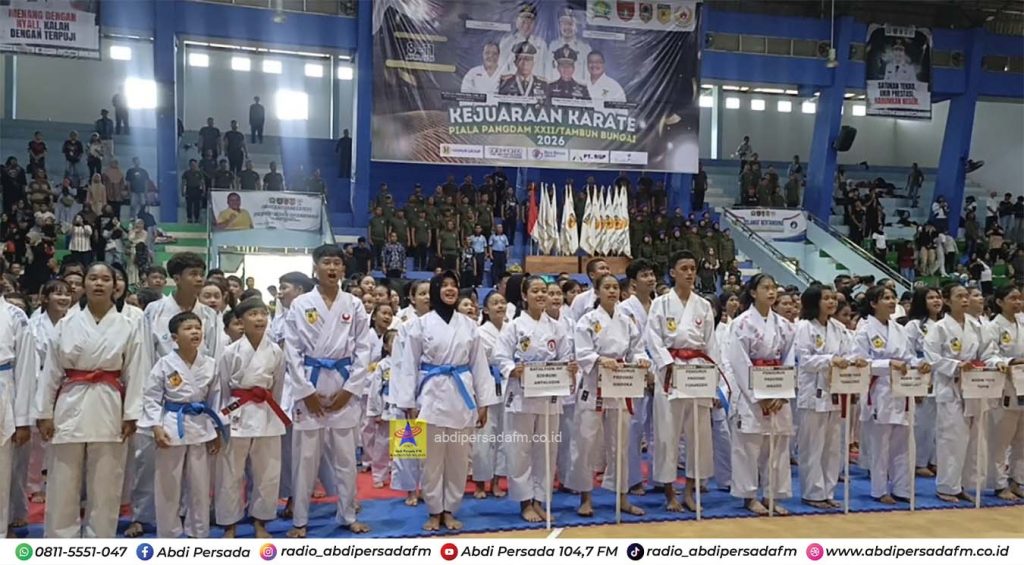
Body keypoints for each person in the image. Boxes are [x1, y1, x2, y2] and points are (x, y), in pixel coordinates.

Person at [36, 262, 146, 537]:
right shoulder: (67, 323)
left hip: (109, 404)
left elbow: (136, 371)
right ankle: (60, 541)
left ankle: (100, 540)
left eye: (105, 279)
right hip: (70, 401)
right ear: (83, 284)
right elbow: (51, 371)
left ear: (115, 287)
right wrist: (44, 412)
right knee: (62, 480)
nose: (99, 283)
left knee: (106, 482)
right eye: (93, 278)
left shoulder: (128, 325)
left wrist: (132, 413)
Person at [393, 271, 499, 531]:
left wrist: (484, 401)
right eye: (444, 285)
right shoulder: (420, 324)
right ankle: (434, 510)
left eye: (454, 285)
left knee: (459, 460)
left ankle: (450, 509)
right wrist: (407, 401)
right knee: (431, 460)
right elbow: (408, 365)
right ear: (435, 290)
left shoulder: (468, 325)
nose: (450, 289)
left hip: (462, 395)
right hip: (430, 395)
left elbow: (479, 365)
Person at [283, 244, 373, 537]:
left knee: (346, 459)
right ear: (316, 267)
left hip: (343, 385)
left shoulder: (354, 304)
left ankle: (347, 515)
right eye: (326, 262)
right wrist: (305, 392)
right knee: (305, 459)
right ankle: (300, 520)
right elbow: (292, 350)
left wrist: (350, 389)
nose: (332, 268)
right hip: (310, 384)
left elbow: (363, 349)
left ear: (343, 269)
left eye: (337, 263)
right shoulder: (300, 304)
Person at [494, 276, 577, 523]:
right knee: (520, 451)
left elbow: (565, 355)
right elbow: (500, 356)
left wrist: (569, 367)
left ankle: (540, 500)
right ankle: (525, 502)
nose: (541, 295)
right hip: (521, 396)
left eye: (544, 291)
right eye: (535, 291)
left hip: (549, 394)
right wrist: (512, 369)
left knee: (547, 450)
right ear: (524, 296)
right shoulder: (514, 326)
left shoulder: (557, 327)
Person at [568, 274, 650, 517]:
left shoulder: (626, 321)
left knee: (620, 443)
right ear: (597, 291)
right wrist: (599, 359)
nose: (612, 291)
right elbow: (582, 352)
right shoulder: (587, 320)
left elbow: (637, 349)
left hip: (619, 385)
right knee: (586, 441)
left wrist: (641, 360)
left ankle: (621, 496)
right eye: (607, 287)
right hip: (593, 384)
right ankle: (585, 497)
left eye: (615, 287)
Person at [646, 251, 719, 512]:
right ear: (673, 273)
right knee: (667, 434)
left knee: (698, 434)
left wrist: (713, 382)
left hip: (698, 372)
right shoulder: (661, 303)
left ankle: (689, 490)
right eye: (684, 268)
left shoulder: (703, 305)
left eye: (693, 268)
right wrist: (667, 364)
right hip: (671, 372)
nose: (689, 273)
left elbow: (711, 344)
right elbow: (653, 338)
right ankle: (669, 492)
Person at [140, 311, 223, 538]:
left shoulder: (210, 364)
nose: (195, 332)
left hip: (201, 425)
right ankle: (169, 533)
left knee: (200, 484)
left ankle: (198, 531)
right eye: (188, 328)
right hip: (171, 425)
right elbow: (151, 397)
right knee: (168, 483)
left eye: (197, 328)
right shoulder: (164, 364)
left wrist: (217, 429)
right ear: (174, 337)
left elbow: (216, 398)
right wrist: (156, 426)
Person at [723, 273, 796, 516]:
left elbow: (789, 359)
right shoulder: (741, 323)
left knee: (777, 446)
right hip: (751, 392)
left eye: (774, 287)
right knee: (749, 446)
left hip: (777, 387)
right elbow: (738, 362)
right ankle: (749, 496)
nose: (771, 291)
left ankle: (772, 495)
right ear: (753, 292)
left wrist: (782, 392)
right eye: (766, 287)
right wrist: (759, 395)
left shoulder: (785, 325)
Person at [215, 298, 288, 538]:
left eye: (263, 314)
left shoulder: (275, 351)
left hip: (266, 412)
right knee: (230, 472)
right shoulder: (230, 352)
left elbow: (278, 386)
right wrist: (221, 420)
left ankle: (261, 522)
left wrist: (273, 409)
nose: (259, 319)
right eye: (253, 314)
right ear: (241, 321)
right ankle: (229, 524)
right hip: (236, 413)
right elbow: (222, 388)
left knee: (267, 473)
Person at [855, 285, 930, 503]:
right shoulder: (864, 330)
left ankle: (902, 489)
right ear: (873, 303)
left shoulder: (899, 329)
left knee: (904, 443)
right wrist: (888, 364)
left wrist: (920, 364)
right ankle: (879, 490)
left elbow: (907, 357)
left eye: (892, 297)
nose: (891, 301)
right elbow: (861, 362)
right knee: (880, 445)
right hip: (878, 391)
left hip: (902, 389)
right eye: (885, 298)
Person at [924, 283, 985, 504]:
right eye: (959, 296)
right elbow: (931, 356)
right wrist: (956, 366)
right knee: (950, 438)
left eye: (967, 295)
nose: (965, 299)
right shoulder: (939, 328)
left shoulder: (976, 326)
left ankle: (963, 484)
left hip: (973, 387)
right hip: (949, 387)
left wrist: (989, 364)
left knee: (971, 440)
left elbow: (986, 352)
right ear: (948, 301)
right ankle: (946, 486)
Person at [0, 281, 37, 539]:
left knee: (2, 474)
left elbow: (25, 370)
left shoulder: (15, 316)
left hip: (3, 389)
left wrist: (23, 420)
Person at [471, 291, 509, 499]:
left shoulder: (512, 329)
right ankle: (479, 483)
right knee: (484, 438)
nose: (500, 306)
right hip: (486, 385)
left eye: (502, 302)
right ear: (485, 309)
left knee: (503, 437)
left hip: (508, 385)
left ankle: (496, 481)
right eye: (495, 303)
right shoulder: (479, 332)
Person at [498, 4, 548, 76]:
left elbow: (546, 70)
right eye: (523, 21)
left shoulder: (541, 44)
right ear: (517, 22)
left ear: (535, 24)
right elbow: (501, 68)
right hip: (513, 82)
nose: (526, 26)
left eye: (530, 22)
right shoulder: (507, 42)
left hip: (536, 82)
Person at [547, 9, 591, 83]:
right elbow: (548, 71)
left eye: (570, 24)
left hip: (577, 88)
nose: (567, 27)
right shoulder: (553, 46)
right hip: (555, 88)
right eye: (564, 24)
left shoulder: (585, 48)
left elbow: (587, 76)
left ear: (576, 26)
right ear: (559, 26)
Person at [568, 257, 612, 323]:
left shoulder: (614, 297)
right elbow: (572, 323)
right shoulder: (580, 299)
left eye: (607, 268)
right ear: (592, 275)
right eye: (602, 268)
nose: (607, 272)